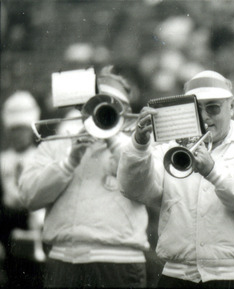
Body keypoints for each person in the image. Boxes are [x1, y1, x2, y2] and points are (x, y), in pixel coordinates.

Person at [117, 70, 234, 288]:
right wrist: (139, 145)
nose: (205, 117)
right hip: (179, 276)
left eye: (213, 108)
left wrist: (214, 172)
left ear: (232, 106)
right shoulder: (170, 149)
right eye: (196, 109)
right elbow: (132, 190)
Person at [18, 66, 150, 288]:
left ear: (126, 109)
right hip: (63, 260)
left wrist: (112, 139)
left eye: (111, 106)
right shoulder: (60, 141)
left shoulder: (139, 144)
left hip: (118, 261)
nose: (103, 112)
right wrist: (69, 162)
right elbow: (29, 197)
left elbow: (147, 185)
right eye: (97, 104)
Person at [0, 90, 45, 288]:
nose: (19, 135)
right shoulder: (3, 161)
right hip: (8, 227)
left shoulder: (41, 158)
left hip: (37, 227)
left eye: (23, 129)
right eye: (15, 130)